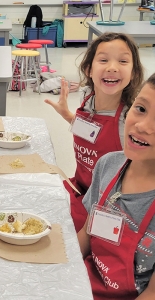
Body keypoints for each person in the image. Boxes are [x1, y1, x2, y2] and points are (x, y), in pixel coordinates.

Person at [44, 32, 144, 232]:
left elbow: (140, 175)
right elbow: (92, 134)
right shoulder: (88, 101)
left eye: (123, 61)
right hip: (79, 188)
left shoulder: (128, 120)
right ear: (89, 69)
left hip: (108, 207)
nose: (112, 67)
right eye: (104, 60)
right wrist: (67, 115)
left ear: (133, 73)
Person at [77, 73, 155, 299]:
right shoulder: (108, 164)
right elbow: (86, 232)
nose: (142, 126)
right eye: (141, 108)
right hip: (86, 284)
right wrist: (63, 270)